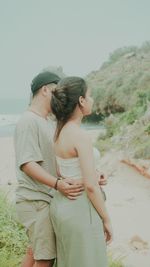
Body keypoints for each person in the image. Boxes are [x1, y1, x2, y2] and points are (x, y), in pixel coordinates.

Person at [14, 71, 84, 267]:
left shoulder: (47, 121)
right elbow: (28, 164)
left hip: (43, 199)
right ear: (45, 90)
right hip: (35, 200)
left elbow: (52, 163)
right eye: (57, 91)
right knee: (45, 259)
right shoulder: (29, 121)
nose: (60, 96)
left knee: (34, 251)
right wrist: (57, 184)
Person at [50, 76, 113, 267]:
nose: (92, 100)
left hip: (61, 206)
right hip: (80, 209)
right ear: (81, 101)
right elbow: (91, 187)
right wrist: (107, 219)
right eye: (90, 95)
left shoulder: (59, 132)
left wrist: (93, 173)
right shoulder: (80, 136)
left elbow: (63, 170)